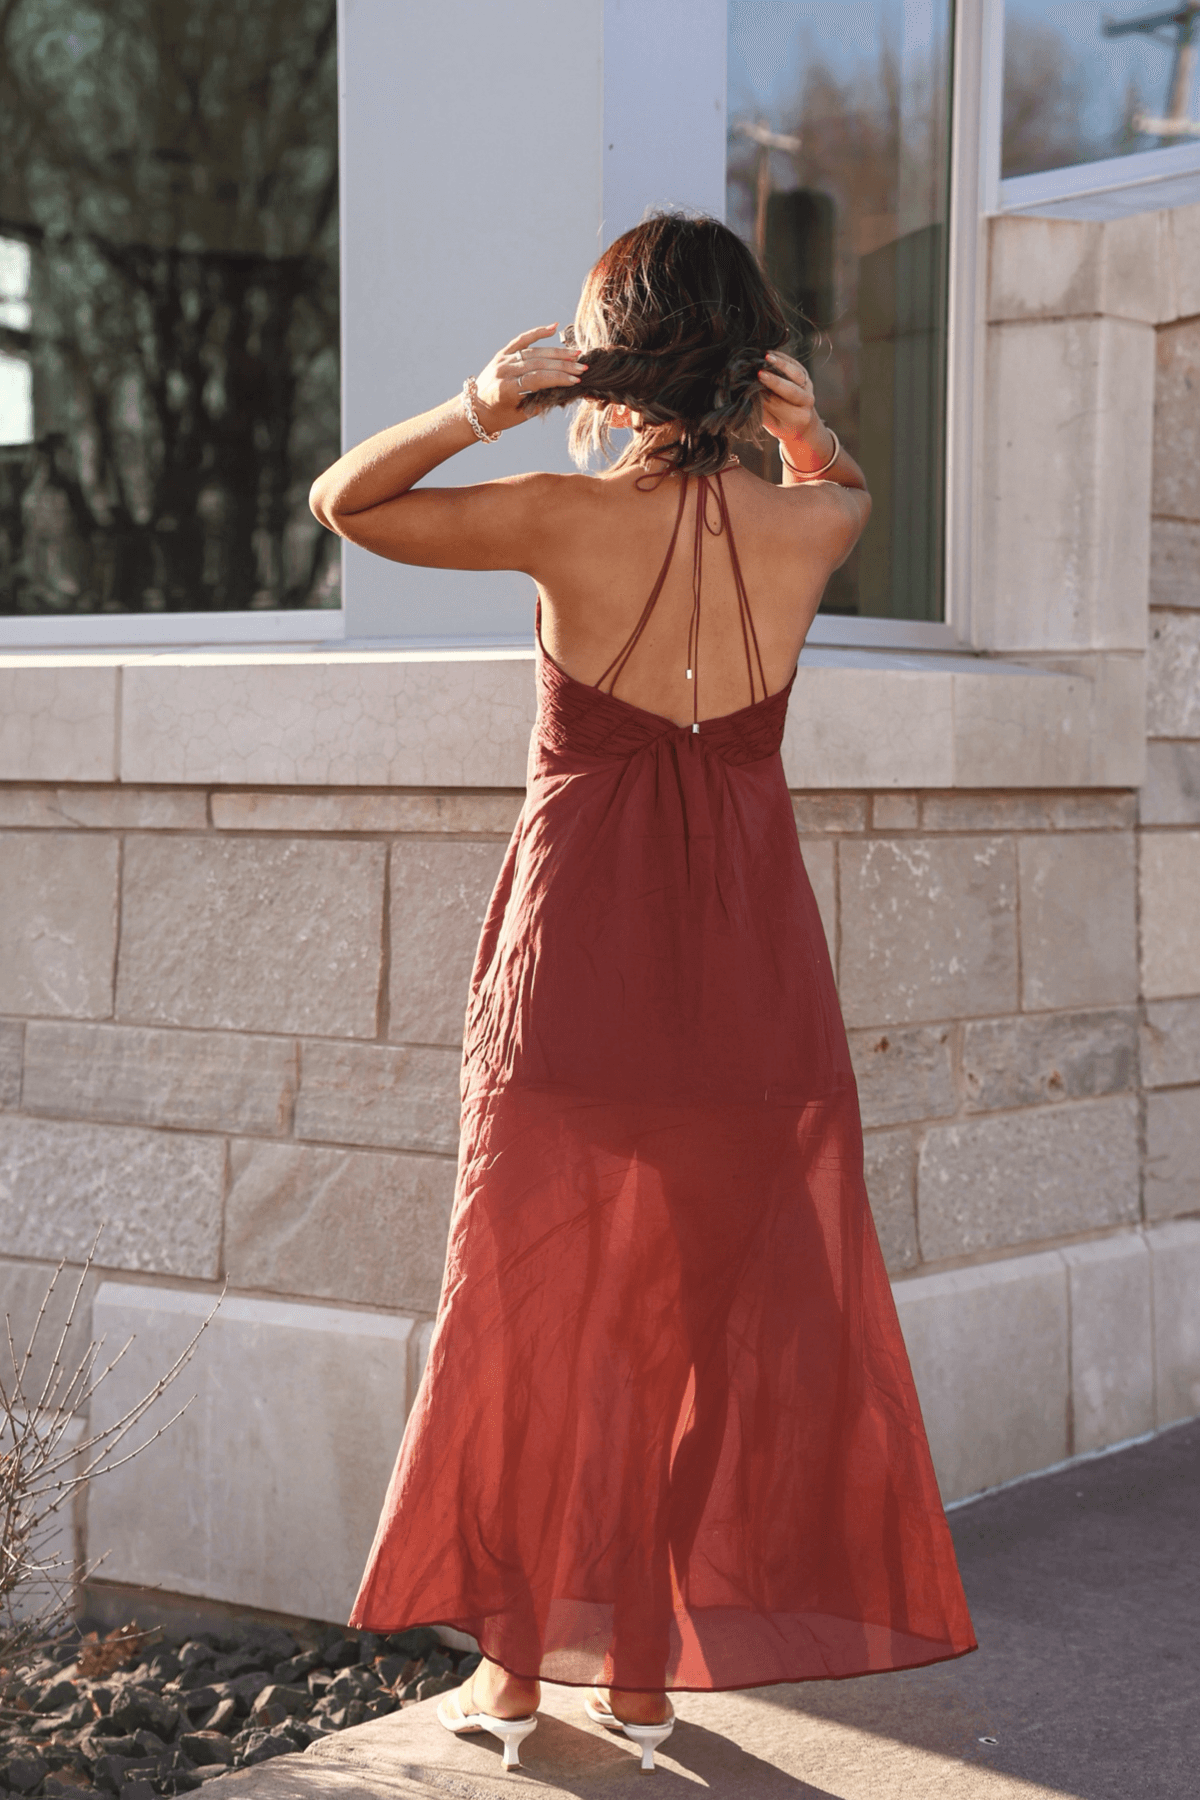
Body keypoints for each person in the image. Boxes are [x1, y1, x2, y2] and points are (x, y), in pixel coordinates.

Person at [310, 213, 975, 1775]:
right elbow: (849, 494)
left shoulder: (552, 514)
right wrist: (807, 434)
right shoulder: (808, 531)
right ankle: (650, 1674)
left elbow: (349, 503)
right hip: (749, 975)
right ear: (750, 357)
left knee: (534, 1310)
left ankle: (521, 1673)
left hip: (577, 966)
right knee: (691, 1326)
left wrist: (484, 401)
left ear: (608, 361)